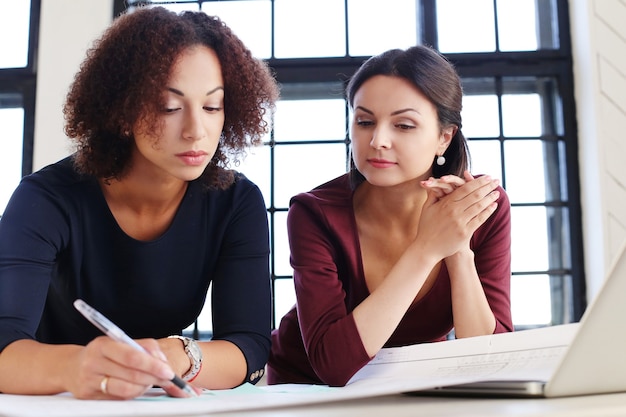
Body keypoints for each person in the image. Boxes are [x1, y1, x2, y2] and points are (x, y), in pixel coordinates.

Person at [0, 7, 278, 399]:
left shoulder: (236, 203)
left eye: (212, 106)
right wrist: (75, 367)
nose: (196, 130)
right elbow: (3, 346)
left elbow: (251, 347)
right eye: (169, 106)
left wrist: (179, 355)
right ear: (123, 111)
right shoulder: (45, 199)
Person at [267, 45, 513, 387]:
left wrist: (456, 248)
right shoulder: (314, 212)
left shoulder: (484, 206)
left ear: (444, 137)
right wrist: (426, 249)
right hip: (305, 388)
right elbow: (333, 367)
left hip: (410, 385)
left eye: (404, 125)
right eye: (365, 121)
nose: (378, 140)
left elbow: (490, 359)